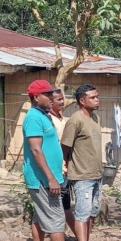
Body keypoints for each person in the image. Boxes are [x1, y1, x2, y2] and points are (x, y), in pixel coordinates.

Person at [23, 79, 88, 241]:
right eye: (48, 95)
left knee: (41, 217)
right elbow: (35, 149)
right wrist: (51, 178)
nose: (52, 98)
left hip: (50, 177)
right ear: (36, 98)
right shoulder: (33, 118)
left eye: (52, 94)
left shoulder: (44, 116)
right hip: (43, 179)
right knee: (56, 219)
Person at [61, 84, 108, 241]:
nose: (97, 100)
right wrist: (65, 166)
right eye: (93, 97)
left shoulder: (94, 118)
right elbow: (65, 146)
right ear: (82, 101)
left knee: (93, 212)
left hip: (97, 174)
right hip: (81, 175)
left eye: (97, 96)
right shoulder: (75, 120)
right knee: (82, 213)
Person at [49, 89, 74, 231]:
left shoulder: (63, 119)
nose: (62, 102)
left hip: (66, 167)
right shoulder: (49, 120)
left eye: (62, 99)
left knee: (65, 205)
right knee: (61, 206)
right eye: (59, 99)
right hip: (57, 168)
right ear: (51, 102)